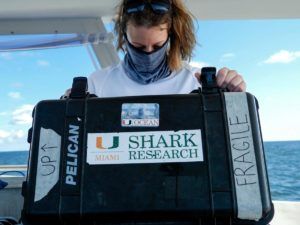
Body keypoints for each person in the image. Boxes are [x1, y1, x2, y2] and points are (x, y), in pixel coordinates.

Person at [65, 0, 246, 97]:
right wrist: (67, 107)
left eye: (158, 46)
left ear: (171, 37)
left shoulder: (196, 82)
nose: (149, 53)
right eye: (138, 46)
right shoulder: (97, 84)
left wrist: (232, 96)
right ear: (124, 37)